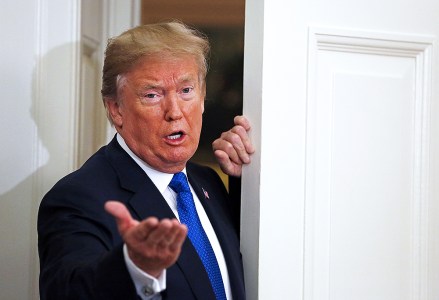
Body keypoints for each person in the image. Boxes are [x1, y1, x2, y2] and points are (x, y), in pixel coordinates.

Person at [37, 21, 254, 300]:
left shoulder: (208, 181)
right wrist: (135, 267)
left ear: (202, 98)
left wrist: (247, 181)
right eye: (152, 95)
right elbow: (68, 292)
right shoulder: (76, 198)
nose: (175, 112)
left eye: (186, 91)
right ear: (116, 109)